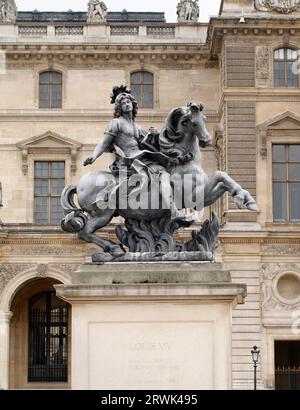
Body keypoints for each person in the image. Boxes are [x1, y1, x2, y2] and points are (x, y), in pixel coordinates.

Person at [83, 86, 180, 217]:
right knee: (162, 174)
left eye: (128, 102)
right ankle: (173, 210)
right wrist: (93, 156)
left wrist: (153, 135)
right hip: (129, 160)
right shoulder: (116, 123)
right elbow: (104, 142)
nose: (126, 104)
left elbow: (146, 144)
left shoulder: (137, 127)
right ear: (119, 108)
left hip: (141, 157)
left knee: (166, 171)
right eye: (123, 103)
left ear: (133, 104)